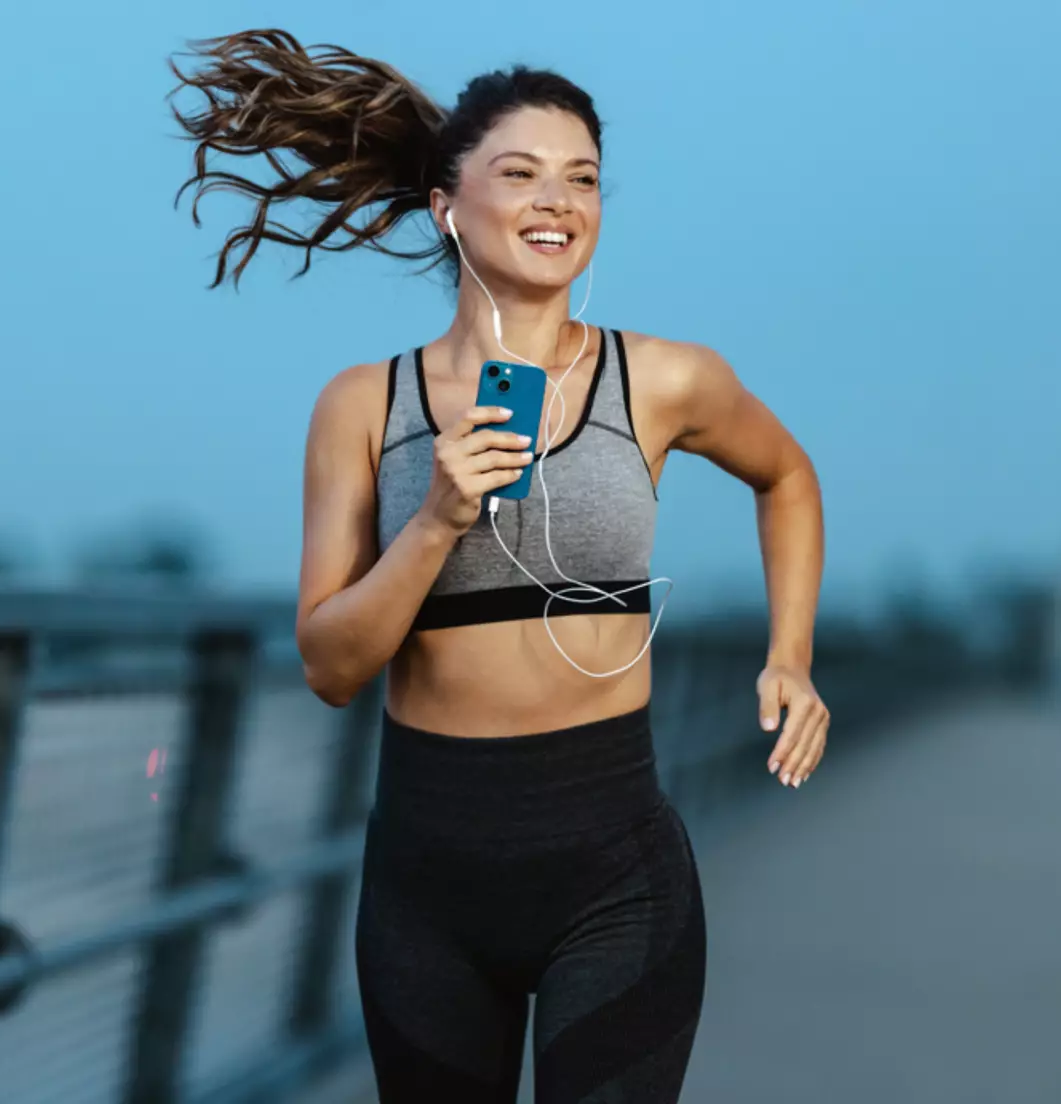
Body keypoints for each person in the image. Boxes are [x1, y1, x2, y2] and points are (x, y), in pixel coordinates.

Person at [171, 28, 828, 1102]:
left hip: (615, 871)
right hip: (427, 887)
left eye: (583, 180)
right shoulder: (361, 407)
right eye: (519, 174)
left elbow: (788, 477)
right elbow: (331, 667)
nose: (557, 201)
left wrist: (789, 655)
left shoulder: (663, 381)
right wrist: (433, 518)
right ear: (447, 204)